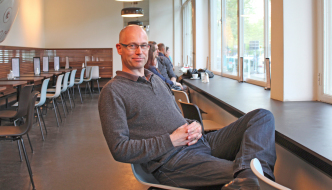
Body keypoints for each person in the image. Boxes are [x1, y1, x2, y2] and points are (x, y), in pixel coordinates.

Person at [98, 25, 276, 189]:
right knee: (253, 179)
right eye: (132, 46)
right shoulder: (113, 91)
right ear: (119, 48)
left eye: (143, 46)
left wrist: (194, 124)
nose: (139, 51)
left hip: (199, 142)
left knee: (262, 116)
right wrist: (171, 140)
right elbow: (120, 149)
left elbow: (174, 117)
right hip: (173, 161)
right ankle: (249, 177)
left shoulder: (155, 78)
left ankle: (247, 175)